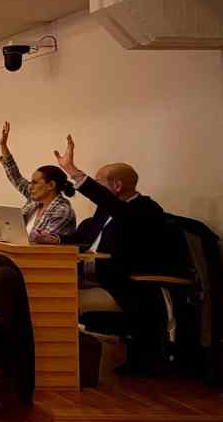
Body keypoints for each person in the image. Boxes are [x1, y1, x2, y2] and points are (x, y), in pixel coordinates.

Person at [53, 135, 167, 320]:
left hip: (119, 288)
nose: (97, 189)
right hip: (84, 278)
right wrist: (56, 239)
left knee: (52, 301)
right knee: (40, 288)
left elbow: (118, 210)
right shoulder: (105, 209)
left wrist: (72, 171)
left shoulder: (145, 210)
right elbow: (84, 241)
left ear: (117, 186)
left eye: (99, 183)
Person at [0, 122, 76, 244]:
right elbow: (16, 177)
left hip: (41, 260)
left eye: (34, 183)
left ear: (50, 185)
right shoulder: (35, 200)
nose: (30, 186)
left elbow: (41, 244)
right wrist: (3, 145)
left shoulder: (62, 210)